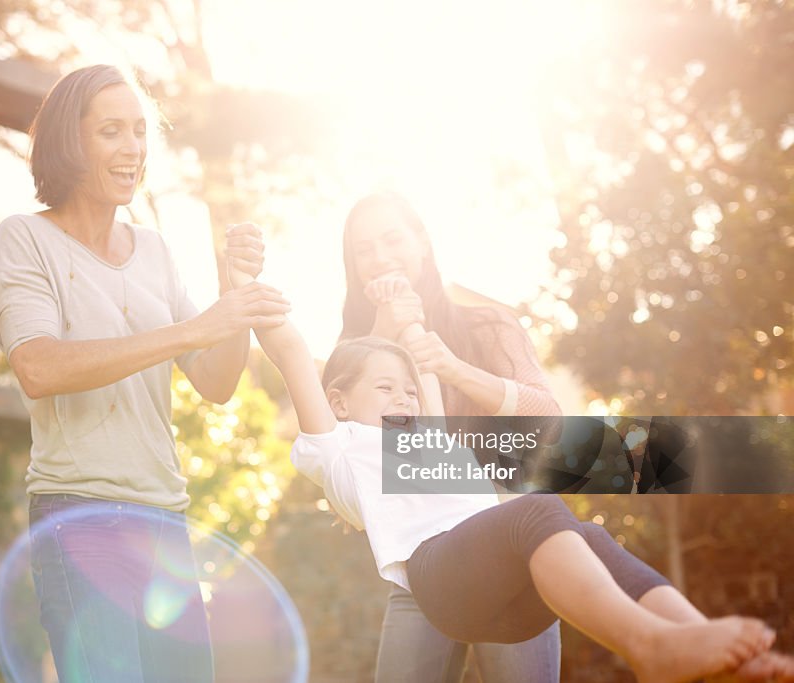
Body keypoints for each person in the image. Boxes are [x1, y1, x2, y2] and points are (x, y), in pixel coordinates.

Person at [228, 258, 794, 683]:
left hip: (503, 589)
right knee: (539, 511)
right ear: (340, 401)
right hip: (438, 574)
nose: (403, 397)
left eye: (408, 390)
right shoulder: (338, 444)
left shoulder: (427, 438)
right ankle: (649, 646)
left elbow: (421, 367)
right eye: (383, 389)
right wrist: (244, 283)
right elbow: (293, 354)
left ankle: (706, 643)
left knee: (589, 536)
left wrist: (410, 319)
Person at [0, 64, 289, 682]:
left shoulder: (155, 250)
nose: (134, 150)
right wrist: (192, 329)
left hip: (164, 521)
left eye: (141, 132)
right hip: (80, 518)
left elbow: (215, 383)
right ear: (71, 143)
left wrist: (234, 293)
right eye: (112, 132)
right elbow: (38, 366)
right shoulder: (25, 240)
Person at [339, 191, 562, 682]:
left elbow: (546, 412)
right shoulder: (352, 353)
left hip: (508, 549)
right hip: (424, 563)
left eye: (392, 239)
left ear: (422, 242)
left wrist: (453, 369)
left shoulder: (488, 324)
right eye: (364, 249)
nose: (379, 257)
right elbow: (339, 449)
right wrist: (385, 329)